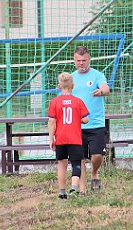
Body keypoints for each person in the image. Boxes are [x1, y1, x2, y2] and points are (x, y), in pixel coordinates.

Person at [71, 46, 110, 194]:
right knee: (79, 158)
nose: (81, 63)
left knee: (97, 156)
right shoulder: (71, 77)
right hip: (77, 125)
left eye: (84, 60)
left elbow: (106, 88)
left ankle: (94, 172)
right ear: (74, 60)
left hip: (96, 124)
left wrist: (101, 91)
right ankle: (82, 190)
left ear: (89, 60)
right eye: (78, 61)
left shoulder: (97, 75)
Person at [48, 72, 89, 200]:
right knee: (76, 163)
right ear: (73, 86)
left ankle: (62, 193)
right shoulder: (78, 101)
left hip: (60, 138)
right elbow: (86, 119)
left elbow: (52, 121)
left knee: (62, 164)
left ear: (58, 86)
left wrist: (51, 138)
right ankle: (74, 188)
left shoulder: (55, 102)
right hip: (75, 138)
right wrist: (79, 119)